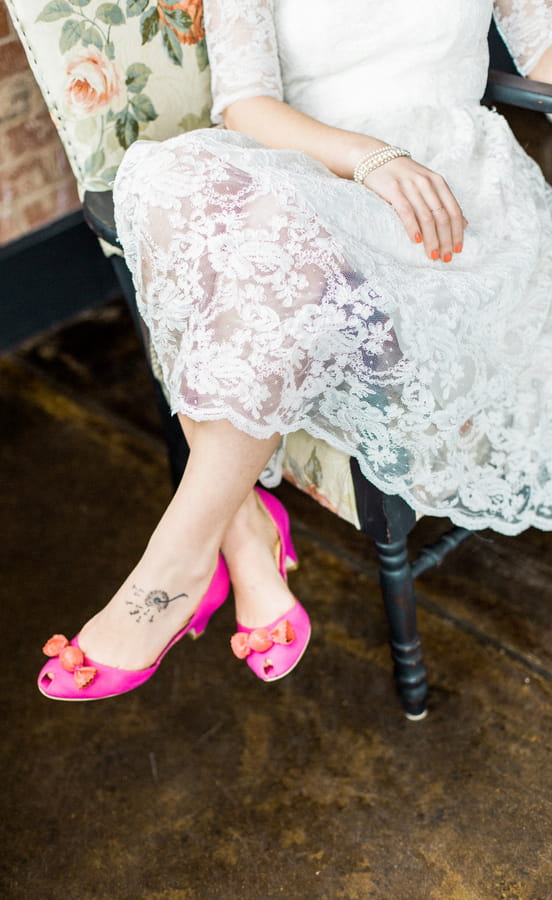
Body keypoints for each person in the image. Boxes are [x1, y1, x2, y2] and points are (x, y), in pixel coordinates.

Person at [38, 0, 552, 701]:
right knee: (182, 186)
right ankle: (221, 537)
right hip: (311, 168)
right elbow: (246, 107)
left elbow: (545, 51)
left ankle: (204, 552)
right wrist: (370, 158)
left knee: (268, 251)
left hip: (451, 200)